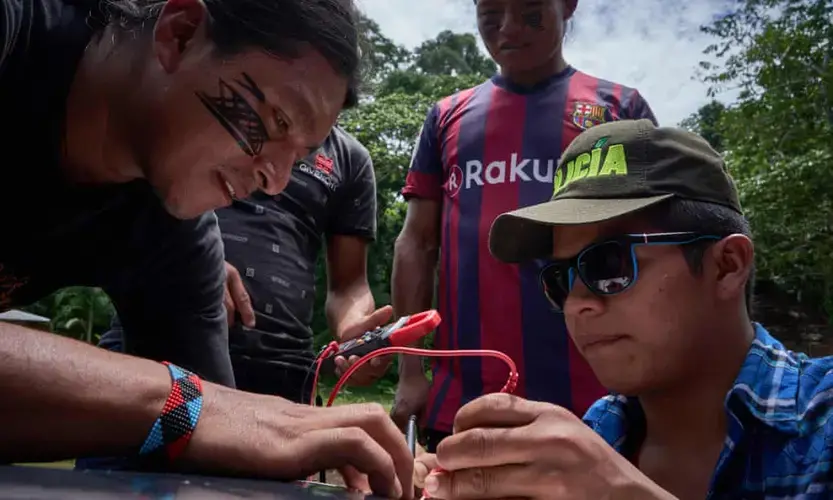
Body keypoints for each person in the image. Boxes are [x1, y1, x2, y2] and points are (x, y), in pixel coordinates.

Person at [0, 0, 412, 495]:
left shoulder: (177, 240)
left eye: (300, 156)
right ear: (181, 32)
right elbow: (205, 411)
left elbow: (221, 437)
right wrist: (186, 403)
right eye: (277, 120)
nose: (275, 182)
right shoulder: (16, 32)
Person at [412, 119, 833, 499]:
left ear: (727, 266)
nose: (577, 304)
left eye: (608, 266)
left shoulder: (820, 422)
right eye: (561, 280)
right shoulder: (602, 428)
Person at [390, 0, 658, 452]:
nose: (509, 29)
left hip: (594, 403)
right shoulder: (445, 117)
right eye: (491, 16)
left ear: (567, 6)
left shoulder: (620, 109)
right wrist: (410, 371)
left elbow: (653, 247)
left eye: (530, 12)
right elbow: (416, 244)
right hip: (463, 401)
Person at [97, 125, 390, 403]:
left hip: (283, 370)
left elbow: (349, 284)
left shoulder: (349, 158)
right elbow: (128, 201)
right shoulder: (208, 108)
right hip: (159, 346)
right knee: (136, 446)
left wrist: (356, 330)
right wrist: (196, 262)